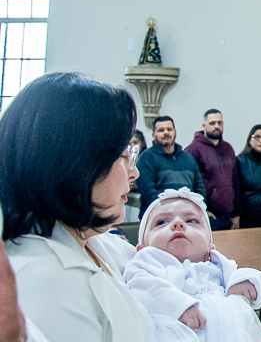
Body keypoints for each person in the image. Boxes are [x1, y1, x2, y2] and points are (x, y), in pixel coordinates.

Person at [0, 72, 155, 341]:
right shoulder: (46, 280)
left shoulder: (88, 240)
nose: (134, 173)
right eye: (123, 155)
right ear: (76, 166)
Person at [123, 188, 261, 341]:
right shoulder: (147, 263)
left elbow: (248, 275)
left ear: (210, 247)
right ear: (142, 249)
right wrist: (179, 306)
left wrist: (245, 282)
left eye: (191, 221)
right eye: (162, 222)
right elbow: (140, 288)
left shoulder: (218, 264)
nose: (177, 224)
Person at [137, 116, 206, 218]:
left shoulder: (187, 157)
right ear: (153, 135)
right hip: (158, 219)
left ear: (175, 132)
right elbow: (149, 193)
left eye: (169, 129)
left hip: (187, 217)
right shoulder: (146, 158)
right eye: (161, 130)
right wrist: (174, 210)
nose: (166, 132)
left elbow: (199, 188)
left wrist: (192, 209)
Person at [185, 110, 240, 231]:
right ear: (204, 126)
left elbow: (235, 182)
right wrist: (201, 208)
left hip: (227, 215)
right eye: (212, 123)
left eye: (219, 123)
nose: (216, 126)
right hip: (206, 216)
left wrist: (236, 213)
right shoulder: (193, 150)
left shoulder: (228, 148)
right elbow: (188, 184)